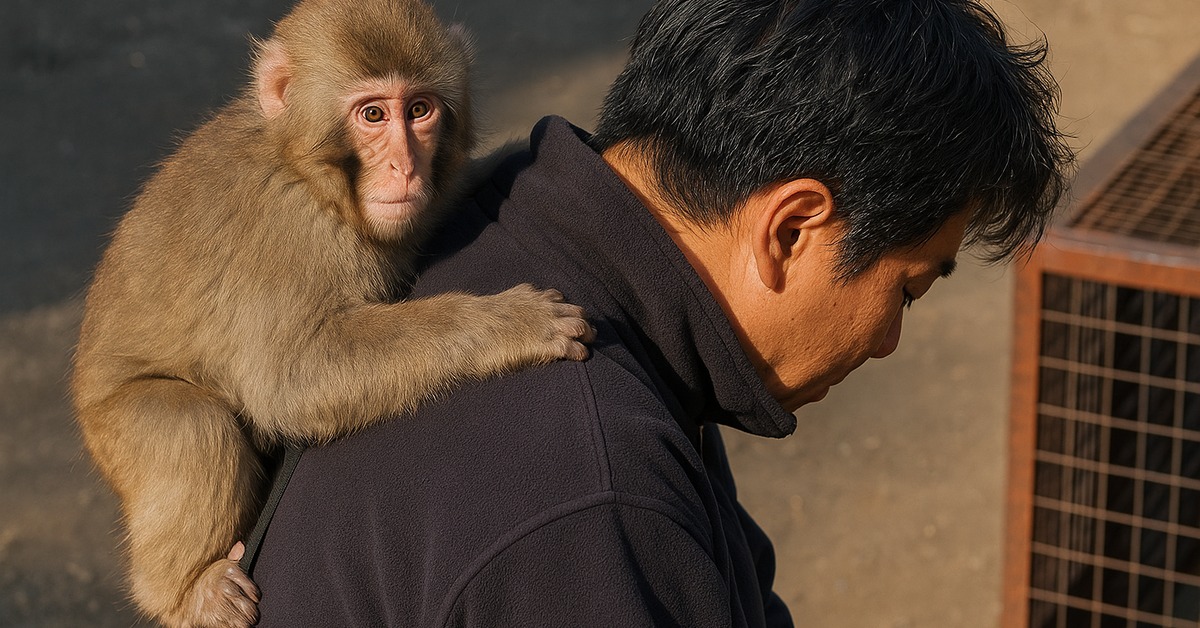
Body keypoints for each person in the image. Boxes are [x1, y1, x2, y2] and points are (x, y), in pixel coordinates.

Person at [252, 0, 1072, 625]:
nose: (890, 342)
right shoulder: (587, 501)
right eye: (906, 290)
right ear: (791, 228)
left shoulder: (530, 223)